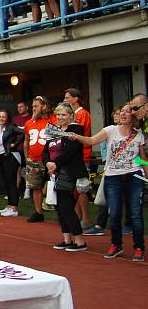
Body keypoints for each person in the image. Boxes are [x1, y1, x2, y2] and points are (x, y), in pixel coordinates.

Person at [69, 105, 146, 262]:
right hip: (113, 177)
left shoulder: (139, 135)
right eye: (120, 112)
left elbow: (141, 159)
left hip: (134, 177)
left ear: (134, 116)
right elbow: (91, 140)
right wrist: (76, 136)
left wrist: (141, 165)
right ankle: (116, 244)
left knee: (136, 214)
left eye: (127, 112)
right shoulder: (110, 130)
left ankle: (139, 247)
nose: (123, 114)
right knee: (115, 213)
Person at [43, 103, 88, 252]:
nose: (60, 117)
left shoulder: (76, 129)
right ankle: (67, 239)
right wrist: (48, 163)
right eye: (58, 115)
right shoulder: (53, 131)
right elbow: (45, 151)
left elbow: (71, 151)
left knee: (66, 206)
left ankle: (80, 241)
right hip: (55, 173)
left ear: (71, 116)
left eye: (64, 115)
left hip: (71, 173)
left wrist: (55, 164)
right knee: (60, 207)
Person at [64, 88, 93, 228]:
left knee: (82, 188)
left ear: (75, 99)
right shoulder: (73, 114)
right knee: (74, 189)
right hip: (73, 155)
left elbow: (79, 133)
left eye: (67, 97)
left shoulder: (82, 114)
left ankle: (85, 219)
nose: (65, 100)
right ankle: (77, 217)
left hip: (82, 154)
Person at [24, 96, 52, 223]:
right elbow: (26, 141)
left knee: (55, 184)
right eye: (33, 106)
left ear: (44, 106)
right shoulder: (29, 123)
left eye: (36, 106)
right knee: (36, 186)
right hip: (33, 159)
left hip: (50, 159)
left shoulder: (52, 121)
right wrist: (27, 157)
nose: (33, 109)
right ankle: (38, 211)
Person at [0, 109, 24, 217]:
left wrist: (14, 144)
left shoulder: (11, 127)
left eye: (3, 117)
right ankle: (9, 205)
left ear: (8, 118)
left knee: (11, 183)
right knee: (7, 182)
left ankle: (14, 208)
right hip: (2, 157)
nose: (1, 119)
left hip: (11, 157)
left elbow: (23, 133)